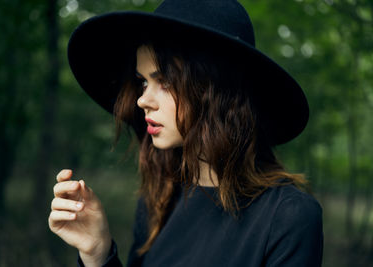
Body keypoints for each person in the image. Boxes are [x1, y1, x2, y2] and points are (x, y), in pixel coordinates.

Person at [48, 0, 323, 266]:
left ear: (216, 91)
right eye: (143, 82)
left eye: (165, 81)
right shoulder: (159, 199)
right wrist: (98, 253)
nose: (143, 100)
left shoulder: (289, 217)